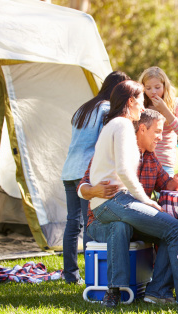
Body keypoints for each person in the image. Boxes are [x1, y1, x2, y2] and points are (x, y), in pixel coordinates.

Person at [79, 81, 178, 308]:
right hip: (114, 201)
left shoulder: (116, 127)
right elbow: (123, 171)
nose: (143, 105)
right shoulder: (121, 125)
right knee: (176, 229)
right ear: (130, 101)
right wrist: (146, 200)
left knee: (162, 231)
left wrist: (174, 182)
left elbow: (155, 179)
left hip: (111, 205)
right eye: (140, 100)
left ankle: (149, 292)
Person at [60, 70, 130, 284]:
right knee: (92, 222)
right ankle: (94, 276)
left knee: (73, 223)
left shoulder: (85, 107)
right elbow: (104, 143)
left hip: (69, 170)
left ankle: (71, 275)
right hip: (87, 174)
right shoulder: (107, 109)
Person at [138, 67, 178, 176]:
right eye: (148, 88)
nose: (153, 92)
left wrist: (165, 110)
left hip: (164, 163)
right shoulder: (141, 105)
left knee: (164, 193)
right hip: (142, 162)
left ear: (165, 86)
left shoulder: (176, 104)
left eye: (157, 87)